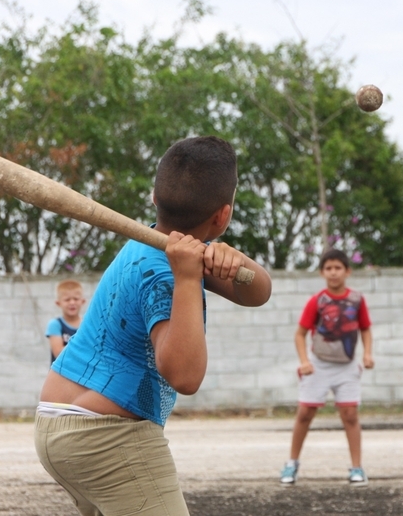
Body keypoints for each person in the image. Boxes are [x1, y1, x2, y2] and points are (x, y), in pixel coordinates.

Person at [34, 135, 272, 516]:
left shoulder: (157, 245)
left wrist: (230, 258)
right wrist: (187, 279)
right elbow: (184, 376)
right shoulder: (168, 271)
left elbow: (258, 292)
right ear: (223, 216)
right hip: (107, 435)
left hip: (55, 423)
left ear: (154, 199)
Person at [280, 249, 374, 486]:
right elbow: (300, 334)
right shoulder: (317, 301)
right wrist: (304, 361)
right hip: (319, 364)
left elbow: (365, 329)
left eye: (338, 268)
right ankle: (291, 464)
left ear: (347, 271)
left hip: (347, 364)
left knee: (350, 415)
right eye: (329, 268)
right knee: (305, 413)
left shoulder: (357, 300)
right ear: (322, 272)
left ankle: (356, 467)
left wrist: (368, 354)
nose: (333, 273)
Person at [45, 279, 86, 364]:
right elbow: (58, 354)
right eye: (67, 300)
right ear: (58, 303)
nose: (72, 302)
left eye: (76, 299)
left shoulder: (87, 325)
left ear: (83, 301)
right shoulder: (55, 325)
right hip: (61, 375)